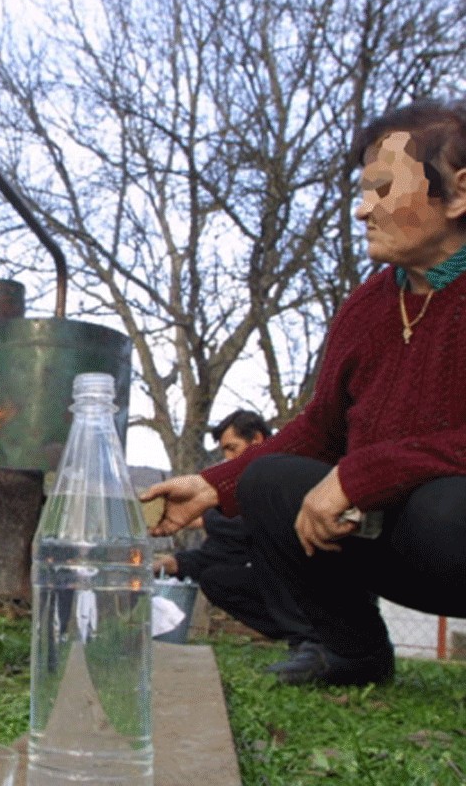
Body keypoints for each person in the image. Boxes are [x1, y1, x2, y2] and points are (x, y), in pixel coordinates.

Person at [143, 97, 466, 687]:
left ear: (459, 193)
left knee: (450, 504)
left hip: (452, 533)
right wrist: (212, 485)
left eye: (384, 188)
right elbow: (320, 429)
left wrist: (364, 472)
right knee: (271, 481)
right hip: (387, 533)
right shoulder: (367, 305)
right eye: (362, 191)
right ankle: (348, 651)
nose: (363, 209)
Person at [154, 411, 316, 658]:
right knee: (216, 579)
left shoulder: (289, 470)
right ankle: (304, 638)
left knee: (270, 552)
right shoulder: (238, 496)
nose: (228, 459)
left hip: (320, 574)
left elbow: (255, 524)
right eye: (224, 452)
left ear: (257, 440)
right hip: (284, 584)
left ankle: (317, 637)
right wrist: (174, 564)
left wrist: (205, 518)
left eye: (232, 448)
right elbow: (222, 552)